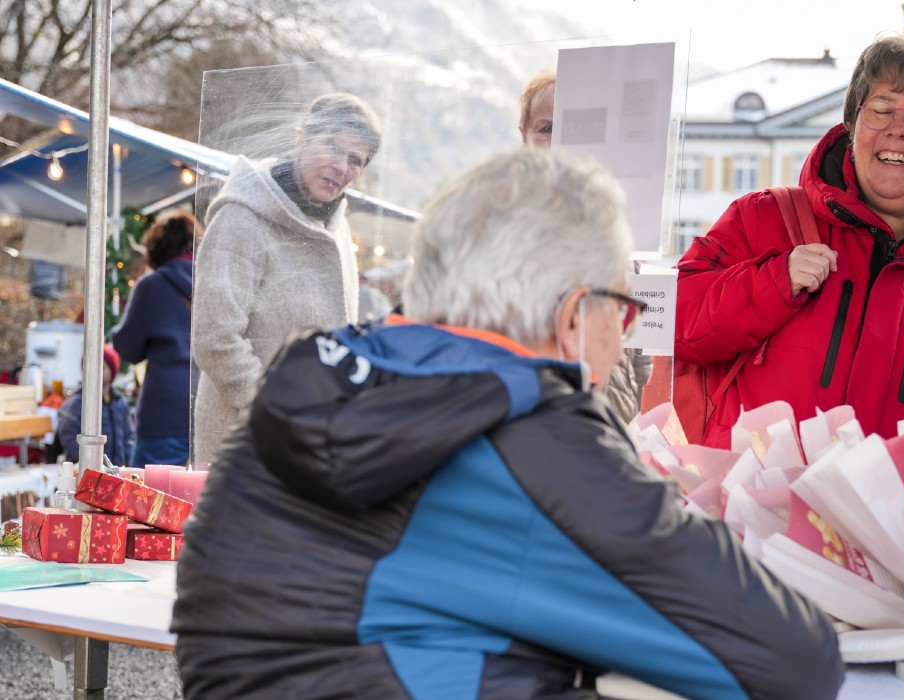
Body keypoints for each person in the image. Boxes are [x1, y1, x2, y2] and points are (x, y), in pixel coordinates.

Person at [172, 149, 844, 700]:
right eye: (625, 308)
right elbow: (793, 663)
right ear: (574, 316)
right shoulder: (533, 433)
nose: (628, 335)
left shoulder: (316, 381)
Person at [675, 33, 904, 458]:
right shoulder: (762, 220)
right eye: (880, 109)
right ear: (853, 126)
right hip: (753, 517)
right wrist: (772, 283)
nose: (898, 129)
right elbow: (672, 323)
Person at [191, 93, 381, 463]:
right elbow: (215, 338)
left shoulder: (337, 228)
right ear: (300, 139)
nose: (341, 166)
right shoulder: (242, 216)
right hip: (248, 449)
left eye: (355, 160)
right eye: (333, 147)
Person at [520, 70, 652, 423]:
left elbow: (641, 341)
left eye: (571, 128)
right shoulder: (503, 222)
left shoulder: (624, 225)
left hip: (610, 422)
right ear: (525, 137)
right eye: (547, 129)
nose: (560, 140)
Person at [111, 210, 198, 466]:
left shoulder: (151, 286)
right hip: (207, 410)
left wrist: (116, 333)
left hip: (164, 413)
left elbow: (128, 348)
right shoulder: (213, 282)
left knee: (149, 500)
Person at [56, 345, 134, 466]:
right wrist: (91, 464)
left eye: (102, 367)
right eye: (91, 367)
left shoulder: (120, 403)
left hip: (117, 473)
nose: (96, 372)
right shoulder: (76, 404)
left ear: (112, 371)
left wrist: (127, 463)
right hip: (88, 474)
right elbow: (69, 438)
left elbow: (129, 438)